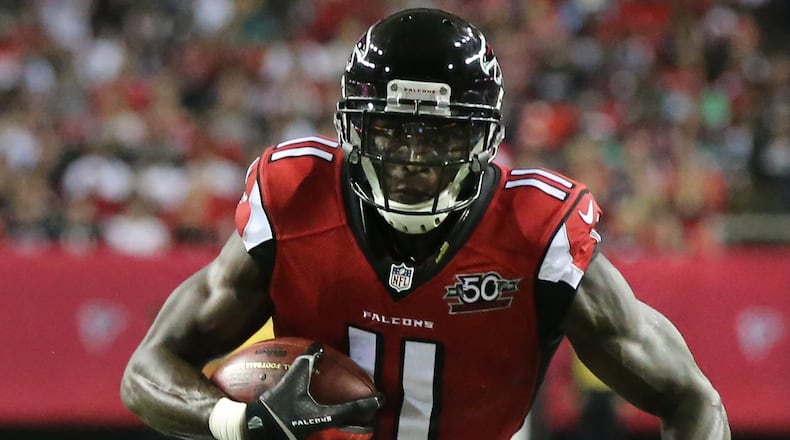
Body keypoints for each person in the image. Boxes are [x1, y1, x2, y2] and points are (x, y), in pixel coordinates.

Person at [121, 8, 730, 440]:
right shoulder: (297, 198)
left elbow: (690, 398)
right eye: (391, 130)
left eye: (440, 134)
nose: (413, 159)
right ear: (354, 131)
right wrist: (235, 422)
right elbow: (149, 370)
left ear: (483, 138)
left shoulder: (535, 233)